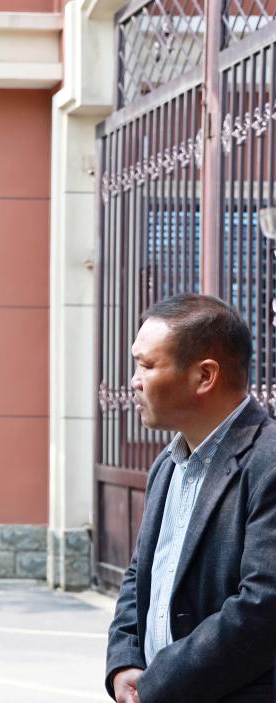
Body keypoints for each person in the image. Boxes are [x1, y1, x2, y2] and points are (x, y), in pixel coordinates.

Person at [105, 293, 276, 703]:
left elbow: (263, 606)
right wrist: (124, 660)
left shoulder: (267, 461)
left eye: (147, 365)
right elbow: (140, 574)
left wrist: (158, 684)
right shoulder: (168, 463)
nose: (134, 381)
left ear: (204, 376)